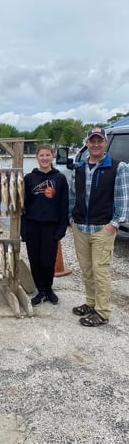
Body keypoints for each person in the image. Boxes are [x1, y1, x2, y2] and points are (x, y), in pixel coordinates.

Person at [69, 126, 129, 327]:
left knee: (100, 270)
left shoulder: (118, 167)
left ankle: (102, 312)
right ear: (87, 143)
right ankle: (91, 302)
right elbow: (72, 196)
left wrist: (114, 224)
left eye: (99, 141)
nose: (95, 144)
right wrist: (72, 218)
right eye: (92, 141)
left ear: (105, 143)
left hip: (102, 228)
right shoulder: (78, 167)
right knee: (86, 269)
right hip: (80, 228)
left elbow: (122, 199)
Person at [22, 144, 69, 307]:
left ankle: (49, 289)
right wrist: (23, 229)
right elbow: (23, 205)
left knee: (47, 261)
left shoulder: (60, 178)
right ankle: (40, 291)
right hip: (32, 225)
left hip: (51, 225)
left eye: (48, 155)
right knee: (34, 260)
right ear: (37, 157)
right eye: (41, 155)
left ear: (52, 157)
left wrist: (62, 228)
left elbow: (64, 204)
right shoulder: (28, 178)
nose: (44, 158)